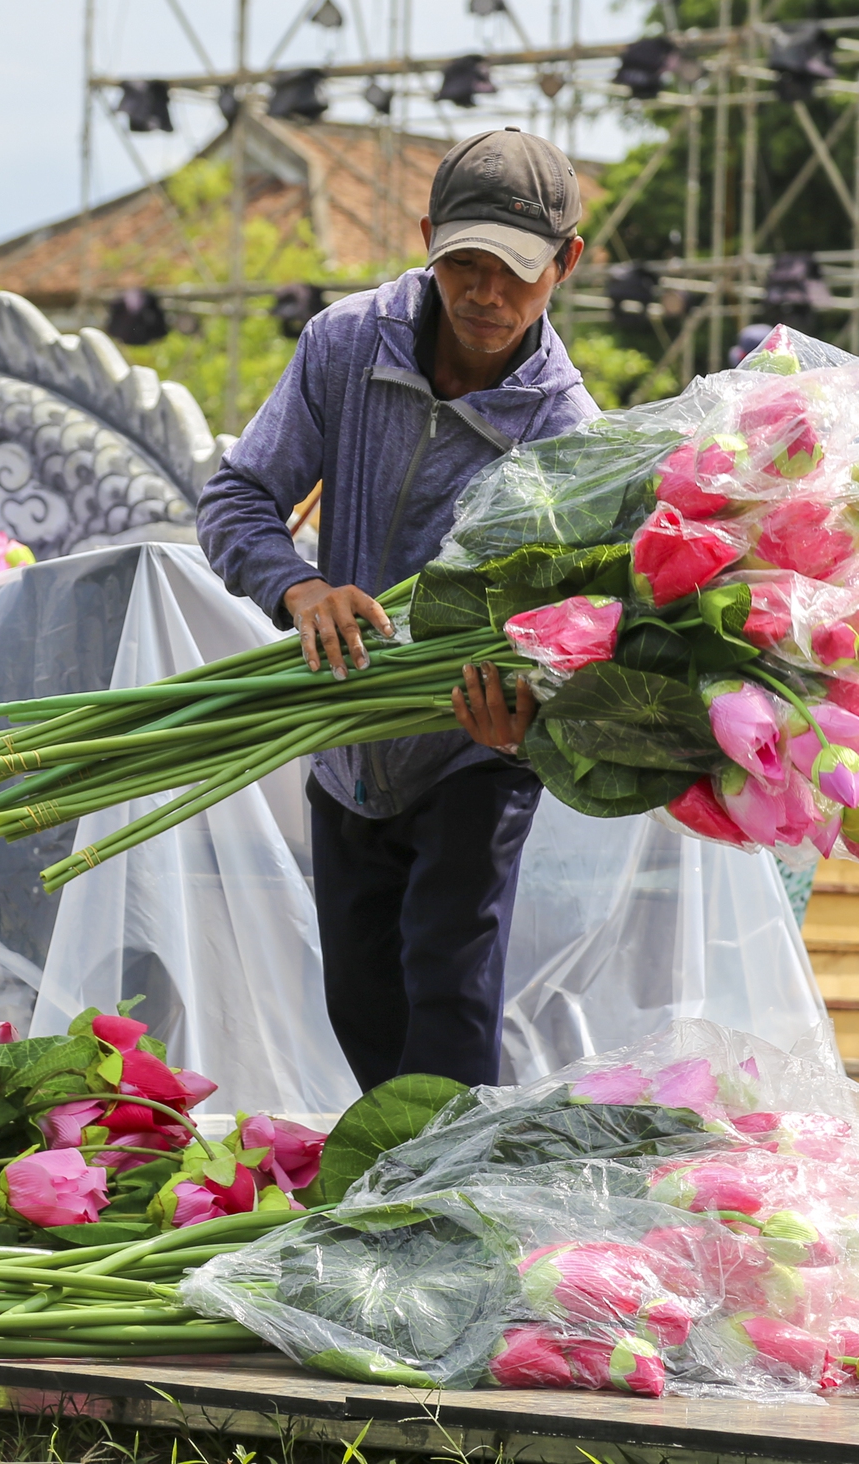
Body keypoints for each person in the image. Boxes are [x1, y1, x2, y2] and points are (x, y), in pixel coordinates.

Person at [197, 128, 599, 1091]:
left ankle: (456, 1214)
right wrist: (297, 587)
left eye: (514, 273)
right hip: (343, 735)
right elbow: (237, 499)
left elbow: (580, 626)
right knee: (362, 1003)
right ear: (426, 238)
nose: (485, 295)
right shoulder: (346, 344)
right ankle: (403, 1199)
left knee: (448, 993)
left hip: (469, 744)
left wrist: (532, 718)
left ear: (566, 266)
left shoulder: (566, 432)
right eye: (462, 264)